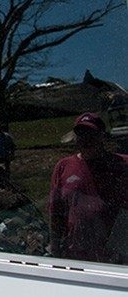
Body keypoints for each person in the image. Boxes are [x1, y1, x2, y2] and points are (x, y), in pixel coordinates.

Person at [49, 112, 128, 263]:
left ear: (102, 136)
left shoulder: (122, 165)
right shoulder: (63, 166)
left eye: (91, 134)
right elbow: (55, 211)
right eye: (81, 134)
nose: (86, 139)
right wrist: (55, 246)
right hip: (75, 253)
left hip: (116, 256)